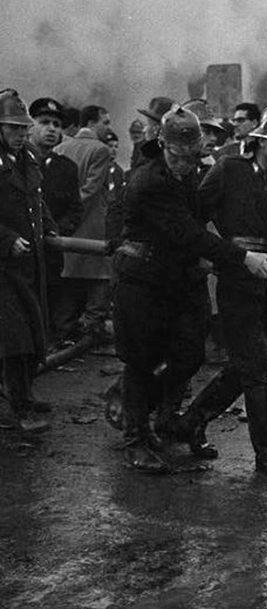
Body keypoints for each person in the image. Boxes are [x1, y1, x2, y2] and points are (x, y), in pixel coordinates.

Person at [113, 105, 267, 472]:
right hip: (143, 280)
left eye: (193, 155)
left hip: (180, 279)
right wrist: (243, 256)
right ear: (163, 147)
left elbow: (206, 216)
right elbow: (187, 232)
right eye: (178, 155)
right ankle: (136, 437)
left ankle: (160, 415)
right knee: (140, 360)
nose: (186, 163)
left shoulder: (193, 174)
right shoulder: (150, 181)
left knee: (190, 354)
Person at [173, 103, 267, 477]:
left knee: (245, 366)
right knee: (259, 365)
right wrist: (211, 250)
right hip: (234, 276)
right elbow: (197, 212)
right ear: (262, 142)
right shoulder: (229, 170)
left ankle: (192, 420)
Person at [0, 89, 51, 435]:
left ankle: (24, 396)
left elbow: (37, 202)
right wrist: (5, 240)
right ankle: (18, 407)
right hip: (3, 266)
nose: (20, 134)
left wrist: (51, 231)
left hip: (28, 262)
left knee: (34, 333)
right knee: (16, 341)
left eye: (22, 128)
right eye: (12, 128)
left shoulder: (29, 157)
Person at [53, 103, 115, 344]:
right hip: (90, 226)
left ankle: (64, 330)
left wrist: (61, 218)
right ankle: (91, 331)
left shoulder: (60, 147)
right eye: (105, 122)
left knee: (68, 279)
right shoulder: (100, 150)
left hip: (63, 227)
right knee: (98, 278)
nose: (108, 128)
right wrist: (74, 212)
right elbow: (91, 188)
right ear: (90, 123)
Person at [27, 98, 82, 338]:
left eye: (57, 125)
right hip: (20, 252)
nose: (52, 129)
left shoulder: (66, 167)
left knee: (47, 306)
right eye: (45, 122)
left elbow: (75, 209)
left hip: (50, 253)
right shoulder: (15, 163)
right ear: (30, 125)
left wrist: (56, 232)